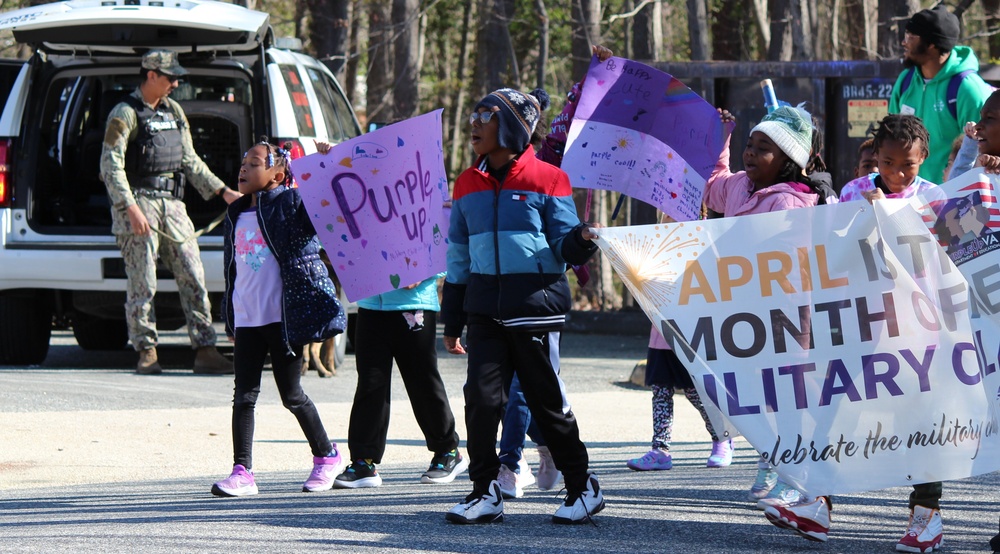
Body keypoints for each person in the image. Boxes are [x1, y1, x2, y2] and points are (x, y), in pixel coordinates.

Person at [767, 115, 946, 551]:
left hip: (916, 328)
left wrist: (900, 221)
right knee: (834, 411)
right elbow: (835, 257)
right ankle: (818, 504)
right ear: (875, 156)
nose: (897, 173)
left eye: (908, 165)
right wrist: (861, 219)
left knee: (923, 421)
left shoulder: (935, 198)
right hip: (859, 322)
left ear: (924, 158)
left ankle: (927, 517)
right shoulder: (852, 193)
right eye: (887, 162)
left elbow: (942, 261)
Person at [441, 86, 604, 525]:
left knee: (545, 403)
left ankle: (582, 486)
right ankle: (484, 491)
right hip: (483, 311)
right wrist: (452, 320)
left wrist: (583, 239)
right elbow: (457, 258)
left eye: (485, 115)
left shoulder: (549, 178)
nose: (473, 123)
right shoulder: (466, 182)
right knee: (480, 399)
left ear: (511, 125)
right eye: (473, 114)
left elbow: (564, 244)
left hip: (535, 307)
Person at [704, 104, 825, 523]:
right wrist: (723, 137)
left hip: (786, 316)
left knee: (788, 395)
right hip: (746, 314)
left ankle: (795, 474)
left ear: (788, 160)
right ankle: (771, 459)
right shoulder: (740, 186)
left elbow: (786, 266)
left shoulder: (792, 204)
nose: (751, 154)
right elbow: (712, 186)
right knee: (758, 397)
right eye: (750, 145)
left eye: (763, 148)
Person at [210, 139, 347, 497]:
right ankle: (243, 472)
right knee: (244, 395)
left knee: (292, 395)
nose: (243, 168)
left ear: (278, 174)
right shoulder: (235, 213)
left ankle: (327, 456)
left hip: (282, 322)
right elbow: (233, 269)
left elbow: (328, 207)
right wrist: (230, 317)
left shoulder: (291, 204)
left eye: (254, 163)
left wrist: (327, 162)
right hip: (248, 319)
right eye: (243, 162)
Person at [100, 50, 241, 375]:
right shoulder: (124, 113)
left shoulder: (174, 111)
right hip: (138, 202)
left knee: (193, 274)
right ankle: (146, 351)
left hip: (173, 204)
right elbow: (110, 165)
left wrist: (224, 192)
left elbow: (189, 160)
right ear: (151, 75)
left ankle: (205, 349)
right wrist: (130, 208)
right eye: (170, 77)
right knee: (142, 282)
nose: (176, 83)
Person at [332, 273, 469, 488]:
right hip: (371, 306)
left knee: (422, 380)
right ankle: (363, 462)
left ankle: (448, 451)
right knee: (370, 384)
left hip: (414, 304)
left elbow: (444, 249)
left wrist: (422, 274)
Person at [889, 4, 992, 183]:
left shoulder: (969, 89)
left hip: (951, 202)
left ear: (932, 45)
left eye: (911, 37)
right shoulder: (905, 80)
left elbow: (981, 152)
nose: (904, 42)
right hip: (907, 199)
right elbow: (889, 139)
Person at [627, 302, 731, 472]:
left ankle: (721, 437)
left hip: (693, 334)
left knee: (695, 393)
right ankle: (660, 450)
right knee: (660, 392)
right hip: (661, 333)